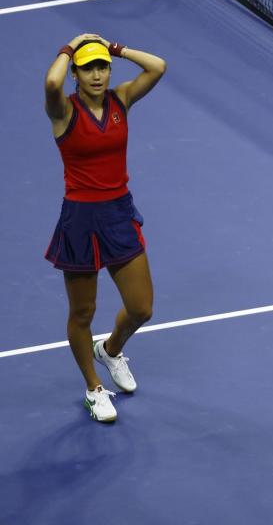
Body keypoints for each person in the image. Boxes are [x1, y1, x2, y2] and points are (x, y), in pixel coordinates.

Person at [43, 33, 166, 422]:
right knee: (83, 313)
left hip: (118, 215)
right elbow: (50, 82)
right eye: (88, 68)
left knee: (141, 308)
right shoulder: (62, 110)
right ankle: (94, 387)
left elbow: (158, 66)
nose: (97, 75)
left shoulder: (121, 99)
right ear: (75, 75)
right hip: (80, 221)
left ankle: (110, 350)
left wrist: (114, 48)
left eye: (102, 67)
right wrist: (68, 48)